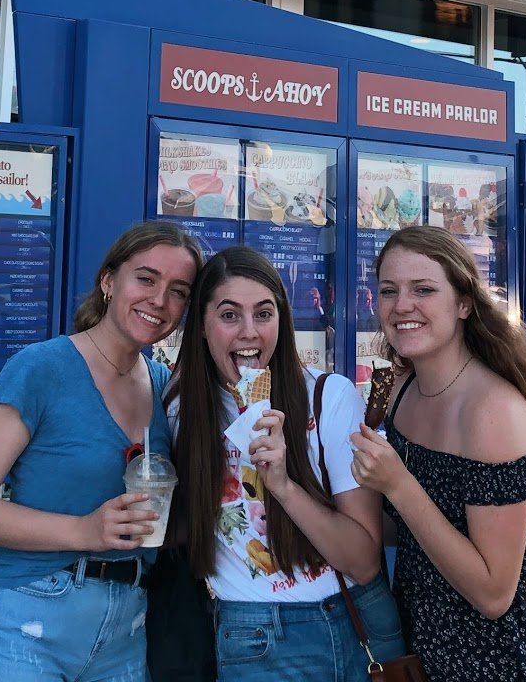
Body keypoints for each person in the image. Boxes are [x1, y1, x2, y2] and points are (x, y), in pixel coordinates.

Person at [0, 221, 204, 681]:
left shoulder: (164, 388)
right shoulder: (41, 368)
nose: (160, 301)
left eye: (178, 290)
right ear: (109, 281)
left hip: (128, 628)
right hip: (29, 619)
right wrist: (85, 530)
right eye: (146, 278)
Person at [349, 226, 526, 682]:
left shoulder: (494, 412)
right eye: (388, 290)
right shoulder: (400, 389)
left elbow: (494, 593)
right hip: (422, 640)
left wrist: (397, 485)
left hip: (502, 655)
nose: (402, 306)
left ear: (463, 303)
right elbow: (413, 531)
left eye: (424, 290)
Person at [167, 246, 406, 682]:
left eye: (263, 313)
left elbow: (364, 561)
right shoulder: (182, 413)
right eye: (228, 315)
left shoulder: (329, 397)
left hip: (360, 623)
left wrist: (283, 484)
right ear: (201, 325)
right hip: (255, 634)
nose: (249, 333)